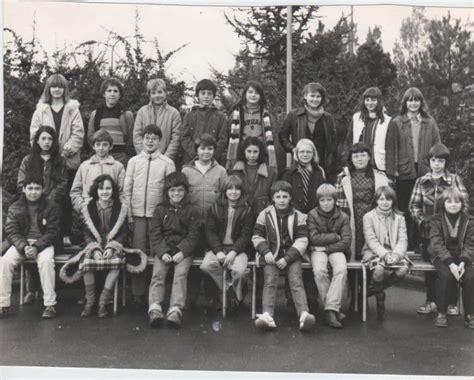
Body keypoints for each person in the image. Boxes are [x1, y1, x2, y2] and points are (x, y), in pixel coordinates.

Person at [409, 144, 468, 315]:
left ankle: (452, 302)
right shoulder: (421, 181)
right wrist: (422, 221)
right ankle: (431, 300)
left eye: (440, 161)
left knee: (452, 263)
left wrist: (455, 224)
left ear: (446, 162)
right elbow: (414, 205)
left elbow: (463, 205)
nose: (436, 164)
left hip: (451, 233)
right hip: (428, 233)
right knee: (432, 268)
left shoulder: (454, 180)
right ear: (429, 161)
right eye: (433, 160)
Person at [252, 180, 316, 331]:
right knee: (270, 279)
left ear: (290, 198)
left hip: (291, 256)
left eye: (285, 196)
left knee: (296, 280)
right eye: (278, 196)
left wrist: (287, 258)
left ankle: (304, 314)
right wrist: (266, 252)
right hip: (271, 255)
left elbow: (302, 240)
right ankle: (267, 315)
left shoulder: (299, 216)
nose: (281, 200)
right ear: (272, 198)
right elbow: (257, 236)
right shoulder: (265, 214)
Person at [30, 73, 84, 246]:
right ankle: (45, 233)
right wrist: (47, 153)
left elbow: (78, 134)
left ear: (65, 89)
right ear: (48, 89)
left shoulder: (72, 109)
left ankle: (66, 234)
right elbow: (34, 134)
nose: (57, 90)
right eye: (53, 86)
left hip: (67, 161)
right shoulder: (41, 109)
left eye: (60, 86)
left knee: (65, 198)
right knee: (46, 196)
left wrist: (64, 153)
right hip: (47, 160)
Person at [124, 124, 176, 308]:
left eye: (154, 138)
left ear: (160, 141)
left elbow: (171, 191)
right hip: (137, 214)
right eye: (147, 137)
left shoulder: (167, 163)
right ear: (142, 139)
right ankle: (138, 294)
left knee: (157, 254)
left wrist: (166, 216)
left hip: (157, 216)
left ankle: (155, 296)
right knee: (138, 253)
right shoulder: (134, 161)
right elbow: (127, 190)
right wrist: (129, 214)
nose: (150, 141)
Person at [385, 87, 441, 248]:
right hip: (404, 172)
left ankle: (421, 242)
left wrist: (436, 167)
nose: (413, 103)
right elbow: (391, 148)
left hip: (425, 171)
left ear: (421, 102)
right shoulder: (397, 122)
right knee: (404, 207)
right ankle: (405, 243)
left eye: (416, 100)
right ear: (405, 102)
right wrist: (391, 171)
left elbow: (437, 146)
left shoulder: (429, 122)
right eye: (410, 100)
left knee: (424, 207)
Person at [17, 126, 67, 304]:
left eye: (49, 139)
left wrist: (47, 201)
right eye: (43, 138)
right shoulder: (28, 160)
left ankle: (49, 291)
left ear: (53, 142)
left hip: (52, 210)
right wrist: (34, 197)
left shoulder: (59, 161)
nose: (46, 142)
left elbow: (62, 184)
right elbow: (21, 183)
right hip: (30, 209)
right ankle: (32, 289)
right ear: (37, 140)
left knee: (46, 249)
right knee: (30, 245)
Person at [0, 176, 60, 319]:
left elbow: (53, 232)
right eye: (30, 188)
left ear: (43, 189)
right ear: (24, 189)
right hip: (22, 243)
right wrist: (25, 246)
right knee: (5, 261)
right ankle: (3, 304)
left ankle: (50, 305)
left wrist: (36, 247)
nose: (34, 192)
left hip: (44, 243)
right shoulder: (15, 206)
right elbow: (11, 231)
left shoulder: (51, 206)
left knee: (46, 262)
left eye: (37, 188)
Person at [148, 172, 200, 328]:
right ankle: (155, 308)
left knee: (180, 275)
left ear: (185, 191)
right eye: (172, 190)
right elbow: (155, 234)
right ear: (167, 192)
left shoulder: (192, 210)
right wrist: (162, 252)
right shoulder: (160, 210)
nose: (176, 194)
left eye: (179, 190)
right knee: (158, 274)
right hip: (164, 249)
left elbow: (193, 235)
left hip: (183, 251)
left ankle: (175, 310)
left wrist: (182, 251)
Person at [75, 175, 128, 318]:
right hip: (94, 244)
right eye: (101, 188)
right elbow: (86, 233)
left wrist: (111, 247)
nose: (104, 192)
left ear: (113, 190)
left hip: (113, 244)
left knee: (116, 262)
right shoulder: (89, 207)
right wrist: (95, 248)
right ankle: (90, 301)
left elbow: (123, 233)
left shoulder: (120, 207)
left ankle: (102, 302)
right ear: (95, 190)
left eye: (108, 188)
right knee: (86, 262)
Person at [201, 175, 254, 312]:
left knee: (240, 272)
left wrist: (234, 251)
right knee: (206, 266)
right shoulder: (216, 208)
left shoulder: (247, 209)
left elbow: (245, 235)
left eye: (237, 189)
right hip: (218, 248)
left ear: (242, 191)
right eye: (230, 189)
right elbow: (210, 232)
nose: (233, 192)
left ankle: (235, 292)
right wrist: (218, 251)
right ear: (224, 191)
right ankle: (229, 289)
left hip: (238, 249)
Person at [429, 187, 474, 329]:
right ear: (443, 203)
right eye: (449, 201)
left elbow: (470, 244)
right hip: (442, 257)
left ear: (462, 203)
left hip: (461, 257)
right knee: (446, 276)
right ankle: (441, 313)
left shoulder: (469, 221)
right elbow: (436, 243)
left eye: (456, 201)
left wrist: (462, 261)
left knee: (470, 277)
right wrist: (450, 263)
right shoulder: (436, 220)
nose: (453, 204)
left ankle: (470, 315)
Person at [307, 184, 351, 328]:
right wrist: (334, 236)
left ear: (335, 200)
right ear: (318, 201)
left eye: (329, 200)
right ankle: (332, 311)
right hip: (317, 251)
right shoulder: (312, 215)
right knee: (319, 271)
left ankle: (330, 310)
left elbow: (346, 241)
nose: (326, 204)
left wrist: (326, 247)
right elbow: (313, 238)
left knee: (341, 270)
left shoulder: (343, 216)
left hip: (335, 250)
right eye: (323, 200)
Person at [336, 142, 389, 261]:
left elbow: (387, 200)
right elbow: (338, 204)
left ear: (369, 157)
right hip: (351, 217)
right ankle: (352, 278)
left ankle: (371, 277)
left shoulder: (380, 177)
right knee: (352, 250)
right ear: (351, 159)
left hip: (372, 217)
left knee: (371, 250)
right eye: (355, 156)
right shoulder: (343, 177)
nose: (359, 159)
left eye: (363, 155)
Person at [362, 186, 409, 320]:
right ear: (376, 200)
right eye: (381, 199)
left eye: (388, 199)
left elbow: (403, 239)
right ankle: (380, 298)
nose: (385, 202)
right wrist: (385, 255)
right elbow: (371, 240)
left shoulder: (399, 218)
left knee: (402, 270)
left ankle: (377, 289)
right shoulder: (368, 217)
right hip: (374, 252)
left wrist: (396, 255)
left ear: (393, 201)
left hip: (395, 253)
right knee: (379, 269)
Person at [279, 82, 338, 182]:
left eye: (318, 96)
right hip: (301, 161)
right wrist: (293, 149)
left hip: (322, 164)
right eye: (312, 96)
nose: (315, 99)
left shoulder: (328, 118)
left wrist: (330, 159)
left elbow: (333, 142)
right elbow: (282, 135)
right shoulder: (294, 115)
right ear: (305, 96)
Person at [70, 129, 126, 214]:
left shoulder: (118, 167)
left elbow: (122, 192)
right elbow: (75, 191)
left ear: (110, 146)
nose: (101, 148)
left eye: (105, 145)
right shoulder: (84, 166)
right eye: (98, 144)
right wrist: (82, 207)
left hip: (111, 213)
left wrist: (117, 210)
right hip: (88, 212)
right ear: (93, 146)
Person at [226, 81, 277, 171]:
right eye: (250, 92)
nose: (253, 95)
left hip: (261, 154)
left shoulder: (266, 114)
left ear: (260, 96)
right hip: (241, 154)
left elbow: (273, 135)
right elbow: (229, 135)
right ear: (245, 94)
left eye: (257, 93)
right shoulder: (236, 113)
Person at [87, 77, 135, 166]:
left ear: (120, 94)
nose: (112, 94)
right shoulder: (96, 114)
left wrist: (126, 154)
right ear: (104, 94)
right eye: (109, 91)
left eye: (115, 91)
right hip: (101, 158)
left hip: (121, 159)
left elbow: (131, 137)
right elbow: (91, 136)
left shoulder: (126, 114)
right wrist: (100, 152)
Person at [343, 87, 391, 172]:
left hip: (378, 165)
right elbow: (348, 141)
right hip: (358, 164)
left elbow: (390, 147)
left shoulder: (388, 120)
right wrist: (347, 163)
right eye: (367, 100)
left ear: (379, 101)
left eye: (373, 100)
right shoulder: (356, 117)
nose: (369, 103)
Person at [180, 79, 228, 166]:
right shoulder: (189, 116)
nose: (206, 96)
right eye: (203, 93)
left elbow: (223, 140)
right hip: (191, 161)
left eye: (209, 93)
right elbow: (184, 137)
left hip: (212, 162)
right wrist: (196, 154)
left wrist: (210, 155)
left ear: (213, 96)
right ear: (197, 95)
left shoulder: (221, 117)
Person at [133, 78, 181, 161]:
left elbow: (176, 139)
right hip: (144, 160)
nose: (157, 95)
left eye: (160, 92)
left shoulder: (174, 113)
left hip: (166, 160)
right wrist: (144, 156)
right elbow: (137, 135)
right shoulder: (142, 112)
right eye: (153, 93)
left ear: (165, 93)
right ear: (149, 95)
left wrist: (165, 159)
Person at [181, 133, 227, 220]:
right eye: (202, 148)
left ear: (214, 150)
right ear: (196, 150)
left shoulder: (221, 171)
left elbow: (224, 196)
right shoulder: (186, 171)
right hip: (191, 219)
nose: (206, 152)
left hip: (213, 219)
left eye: (210, 149)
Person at [229, 136, 277, 217]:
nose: (252, 155)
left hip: (262, 216)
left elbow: (274, 197)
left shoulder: (270, 172)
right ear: (243, 151)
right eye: (249, 151)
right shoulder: (234, 171)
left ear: (260, 152)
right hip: (240, 216)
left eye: (255, 152)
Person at [281, 138, 326, 214]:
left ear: (313, 154)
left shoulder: (319, 172)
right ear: (297, 154)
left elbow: (323, 195)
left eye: (308, 152)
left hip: (316, 215)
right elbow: (284, 196)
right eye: (302, 152)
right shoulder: (288, 173)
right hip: (294, 215)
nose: (305, 155)